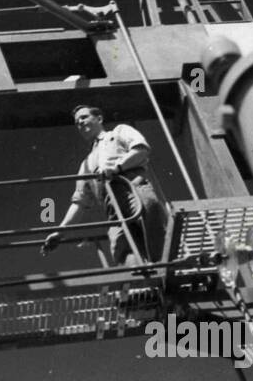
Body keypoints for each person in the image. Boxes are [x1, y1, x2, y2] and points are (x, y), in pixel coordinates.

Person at [42, 104, 166, 267]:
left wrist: (117, 168)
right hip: (113, 211)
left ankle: (163, 266)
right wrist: (60, 232)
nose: (80, 122)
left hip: (134, 191)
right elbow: (79, 203)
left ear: (99, 118)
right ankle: (143, 281)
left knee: (151, 223)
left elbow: (141, 149)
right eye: (77, 122)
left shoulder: (119, 132)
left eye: (84, 117)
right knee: (122, 249)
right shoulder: (85, 165)